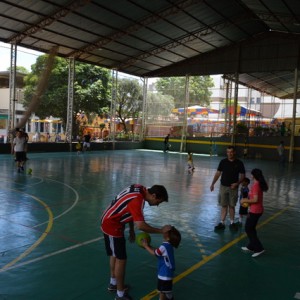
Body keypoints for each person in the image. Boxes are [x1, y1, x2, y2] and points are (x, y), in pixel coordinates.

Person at [101, 184, 171, 300]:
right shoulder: (138, 199)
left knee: (115, 255)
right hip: (112, 224)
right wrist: (161, 231)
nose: (158, 205)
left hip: (111, 220)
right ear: (153, 195)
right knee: (121, 259)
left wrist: (131, 230)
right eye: (159, 201)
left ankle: (114, 283)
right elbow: (142, 225)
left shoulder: (140, 188)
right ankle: (120, 294)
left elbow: (129, 210)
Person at [210, 145, 245, 231]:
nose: (229, 154)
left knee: (232, 206)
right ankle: (222, 222)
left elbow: (243, 176)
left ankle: (232, 223)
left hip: (233, 188)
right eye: (228, 152)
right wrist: (213, 183)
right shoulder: (223, 162)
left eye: (231, 152)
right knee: (224, 205)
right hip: (223, 187)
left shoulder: (239, 163)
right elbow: (218, 173)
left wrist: (237, 183)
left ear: (234, 152)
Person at [142, 226, 181, 300]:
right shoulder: (169, 245)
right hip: (168, 273)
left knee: (162, 292)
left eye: (166, 230)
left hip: (164, 274)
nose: (164, 229)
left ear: (168, 237)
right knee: (167, 291)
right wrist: (149, 246)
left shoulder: (164, 246)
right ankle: (170, 298)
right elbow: (158, 252)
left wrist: (146, 246)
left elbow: (155, 253)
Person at [241, 168, 268, 257]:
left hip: (255, 211)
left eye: (251, 174)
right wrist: (248, 202)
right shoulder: (257, 184)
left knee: (248, 228)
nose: (250, 175)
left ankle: (259, 248)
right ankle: (251, 246)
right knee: (251, 228)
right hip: (255, 210)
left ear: (253, 175)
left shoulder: (256, 186)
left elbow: (255, 200)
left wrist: (245, 200)